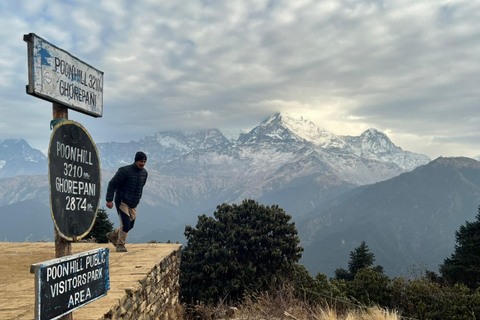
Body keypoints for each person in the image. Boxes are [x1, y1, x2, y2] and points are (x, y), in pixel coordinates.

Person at [106, 151, 148, 252]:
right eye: (141, 161)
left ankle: (112, 235)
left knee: (131, 225)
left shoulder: (144, 173)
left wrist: (138, 199)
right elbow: (112, 184)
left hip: (133, 203)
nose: (142, 163)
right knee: (125, 223)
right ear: (136, 161)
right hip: (122, 201)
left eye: (144, 161)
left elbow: (140, 187)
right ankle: (120, 244)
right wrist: (109, 200)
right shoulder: (124, 171)